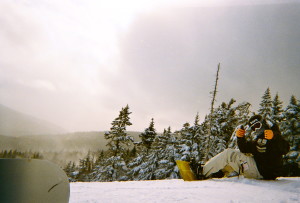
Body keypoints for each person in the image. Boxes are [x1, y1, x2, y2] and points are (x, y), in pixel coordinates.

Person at [195, 115, 290, 180]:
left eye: (257, 125)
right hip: (261, 170)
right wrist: (240, 138)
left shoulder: (273, 136)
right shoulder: (259, 140)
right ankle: (214, 173)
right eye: (253, 128)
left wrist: (274, 137)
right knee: (234, 156)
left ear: (264, 123)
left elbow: (285, 148)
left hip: (263, 171)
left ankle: (201, 173)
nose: (256, 129)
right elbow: (245, 149)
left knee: (229, 153)